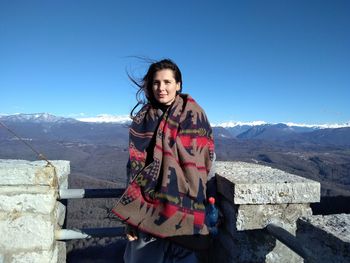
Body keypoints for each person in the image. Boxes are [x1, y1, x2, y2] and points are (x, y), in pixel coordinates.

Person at [112, 58, 215, 263]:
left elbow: (205, 160)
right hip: (147, 208)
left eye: (167, 82)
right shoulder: (143, 119)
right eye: (156, 83)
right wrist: (131, 213)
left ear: (178, 85)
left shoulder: (194, 116)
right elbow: (133, 167)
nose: (161, 88)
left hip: (186, 208)